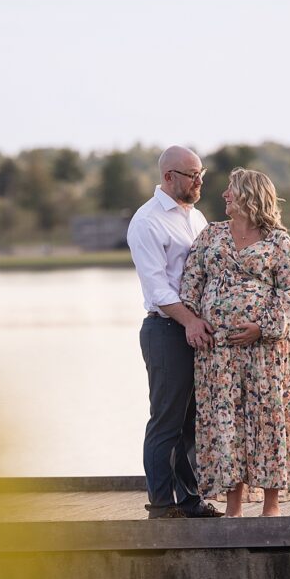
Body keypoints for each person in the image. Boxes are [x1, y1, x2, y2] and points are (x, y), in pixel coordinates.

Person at [180, 167, 290, 517]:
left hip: (265, 352)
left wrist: (263, 327)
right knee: (227, 426)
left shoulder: (278, 242)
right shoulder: (211, 236)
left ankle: (271, 506)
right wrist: (195, 320)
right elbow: (191, 281)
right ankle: (233, 507)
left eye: (231, 191)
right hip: (217, 354)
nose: (224, 195)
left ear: (250, 197)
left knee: (267, 422)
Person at [126, 145, 224, 519]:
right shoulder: (147, 221)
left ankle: (190, 499)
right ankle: (161, 504)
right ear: (169, 177)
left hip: (194, 331)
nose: (200, 182)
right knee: (166, 419)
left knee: (190, 422)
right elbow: (158, 290)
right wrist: (190, 322)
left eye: (201, 174)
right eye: (192, 175)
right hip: (167, 330)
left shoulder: (196, 217)